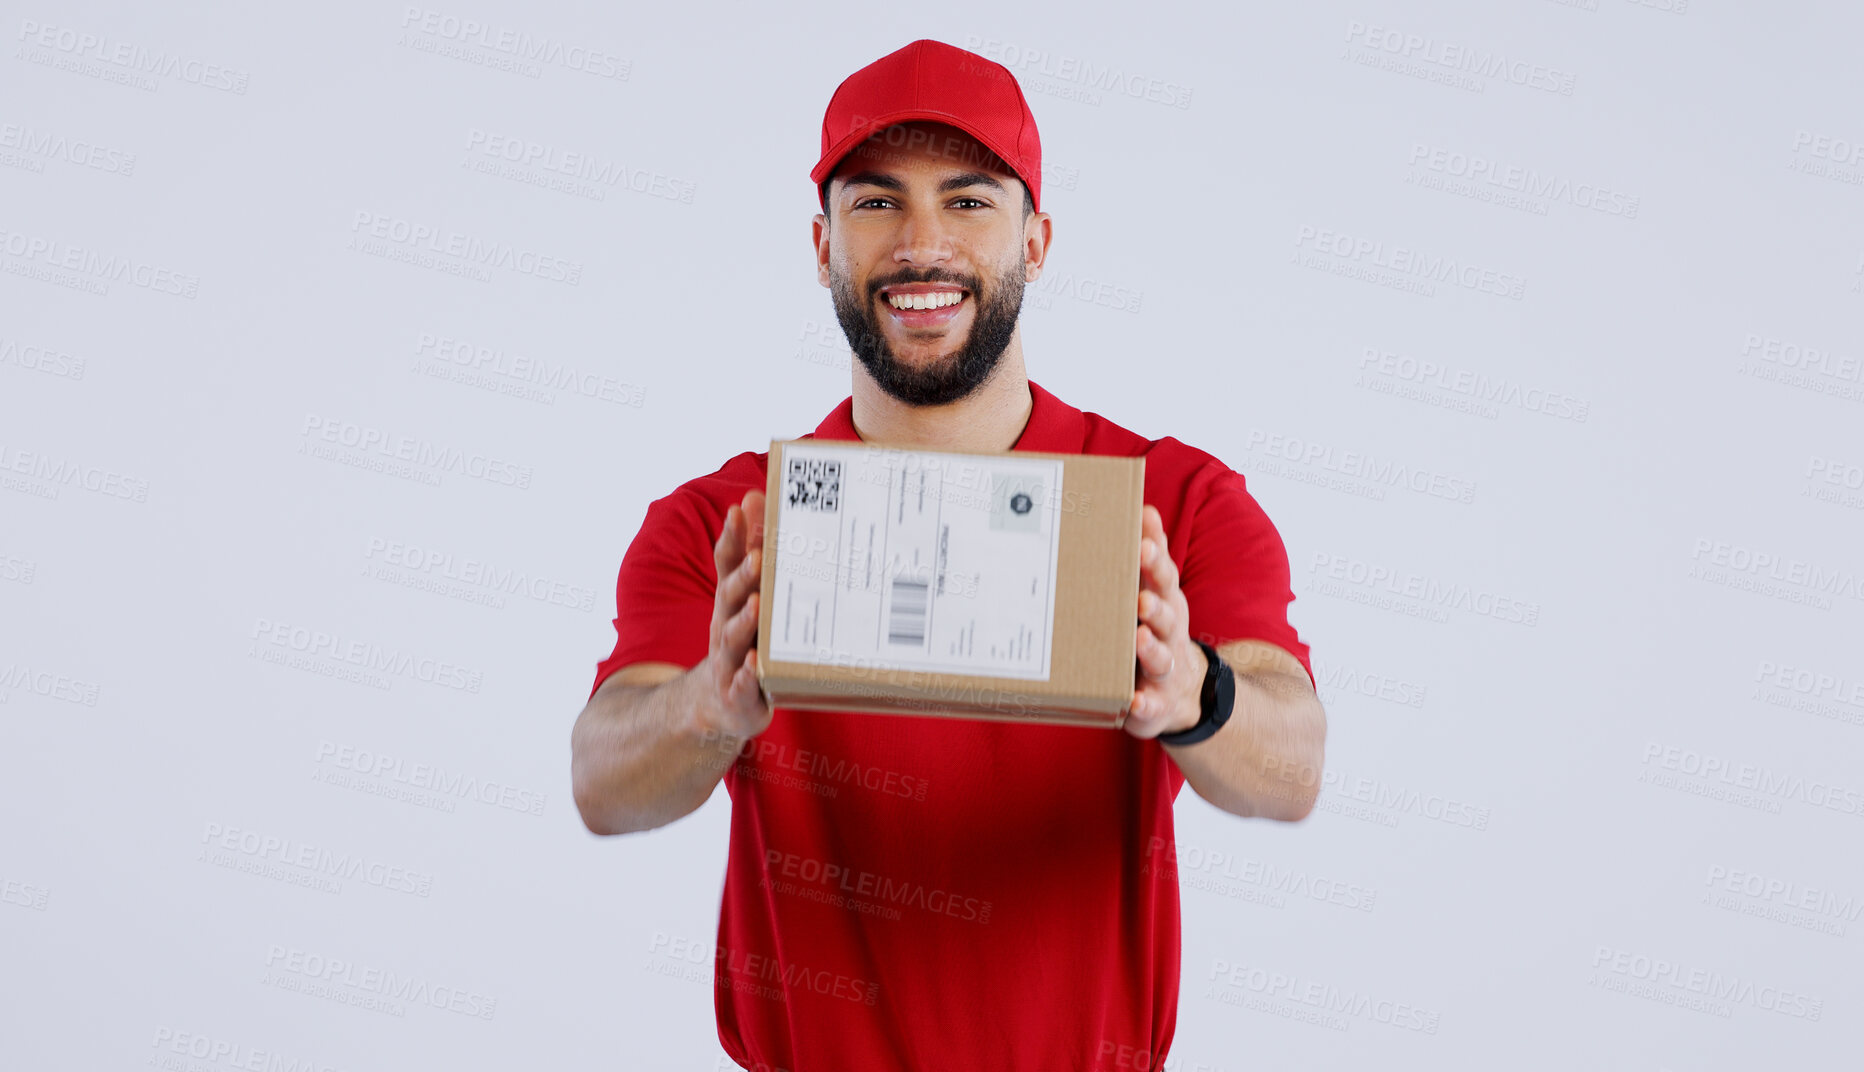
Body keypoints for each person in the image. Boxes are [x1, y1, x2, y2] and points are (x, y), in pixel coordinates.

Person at [570, 38, 1328, 1072]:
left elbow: (1292, 767)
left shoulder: (1172, 501)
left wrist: (1194, 691)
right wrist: (707, 704)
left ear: (1038, 238)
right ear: (821, 242)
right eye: (875, 203)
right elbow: (603, 784)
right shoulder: (729, 521)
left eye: (967, 201)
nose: (920, 244)